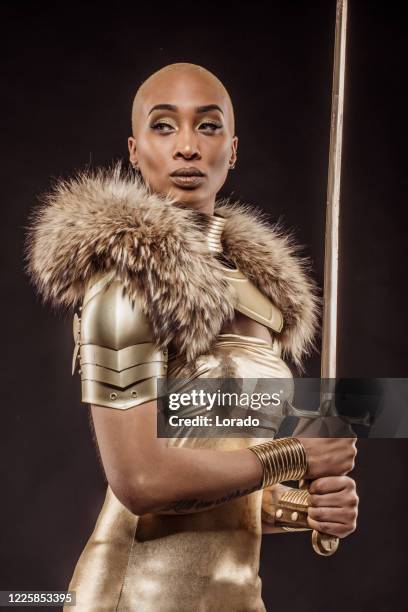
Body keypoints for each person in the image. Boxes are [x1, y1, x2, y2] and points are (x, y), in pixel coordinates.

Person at [25, 63, 358, 611]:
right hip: (134, 598)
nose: (187, 147)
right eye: (164, 126)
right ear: (134, 150)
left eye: (207, 126)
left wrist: (304, 509)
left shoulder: (260, 300)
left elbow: (221, 489)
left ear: (233, 147)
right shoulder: (125, 278)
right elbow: (141, 480)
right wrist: (296, 453)